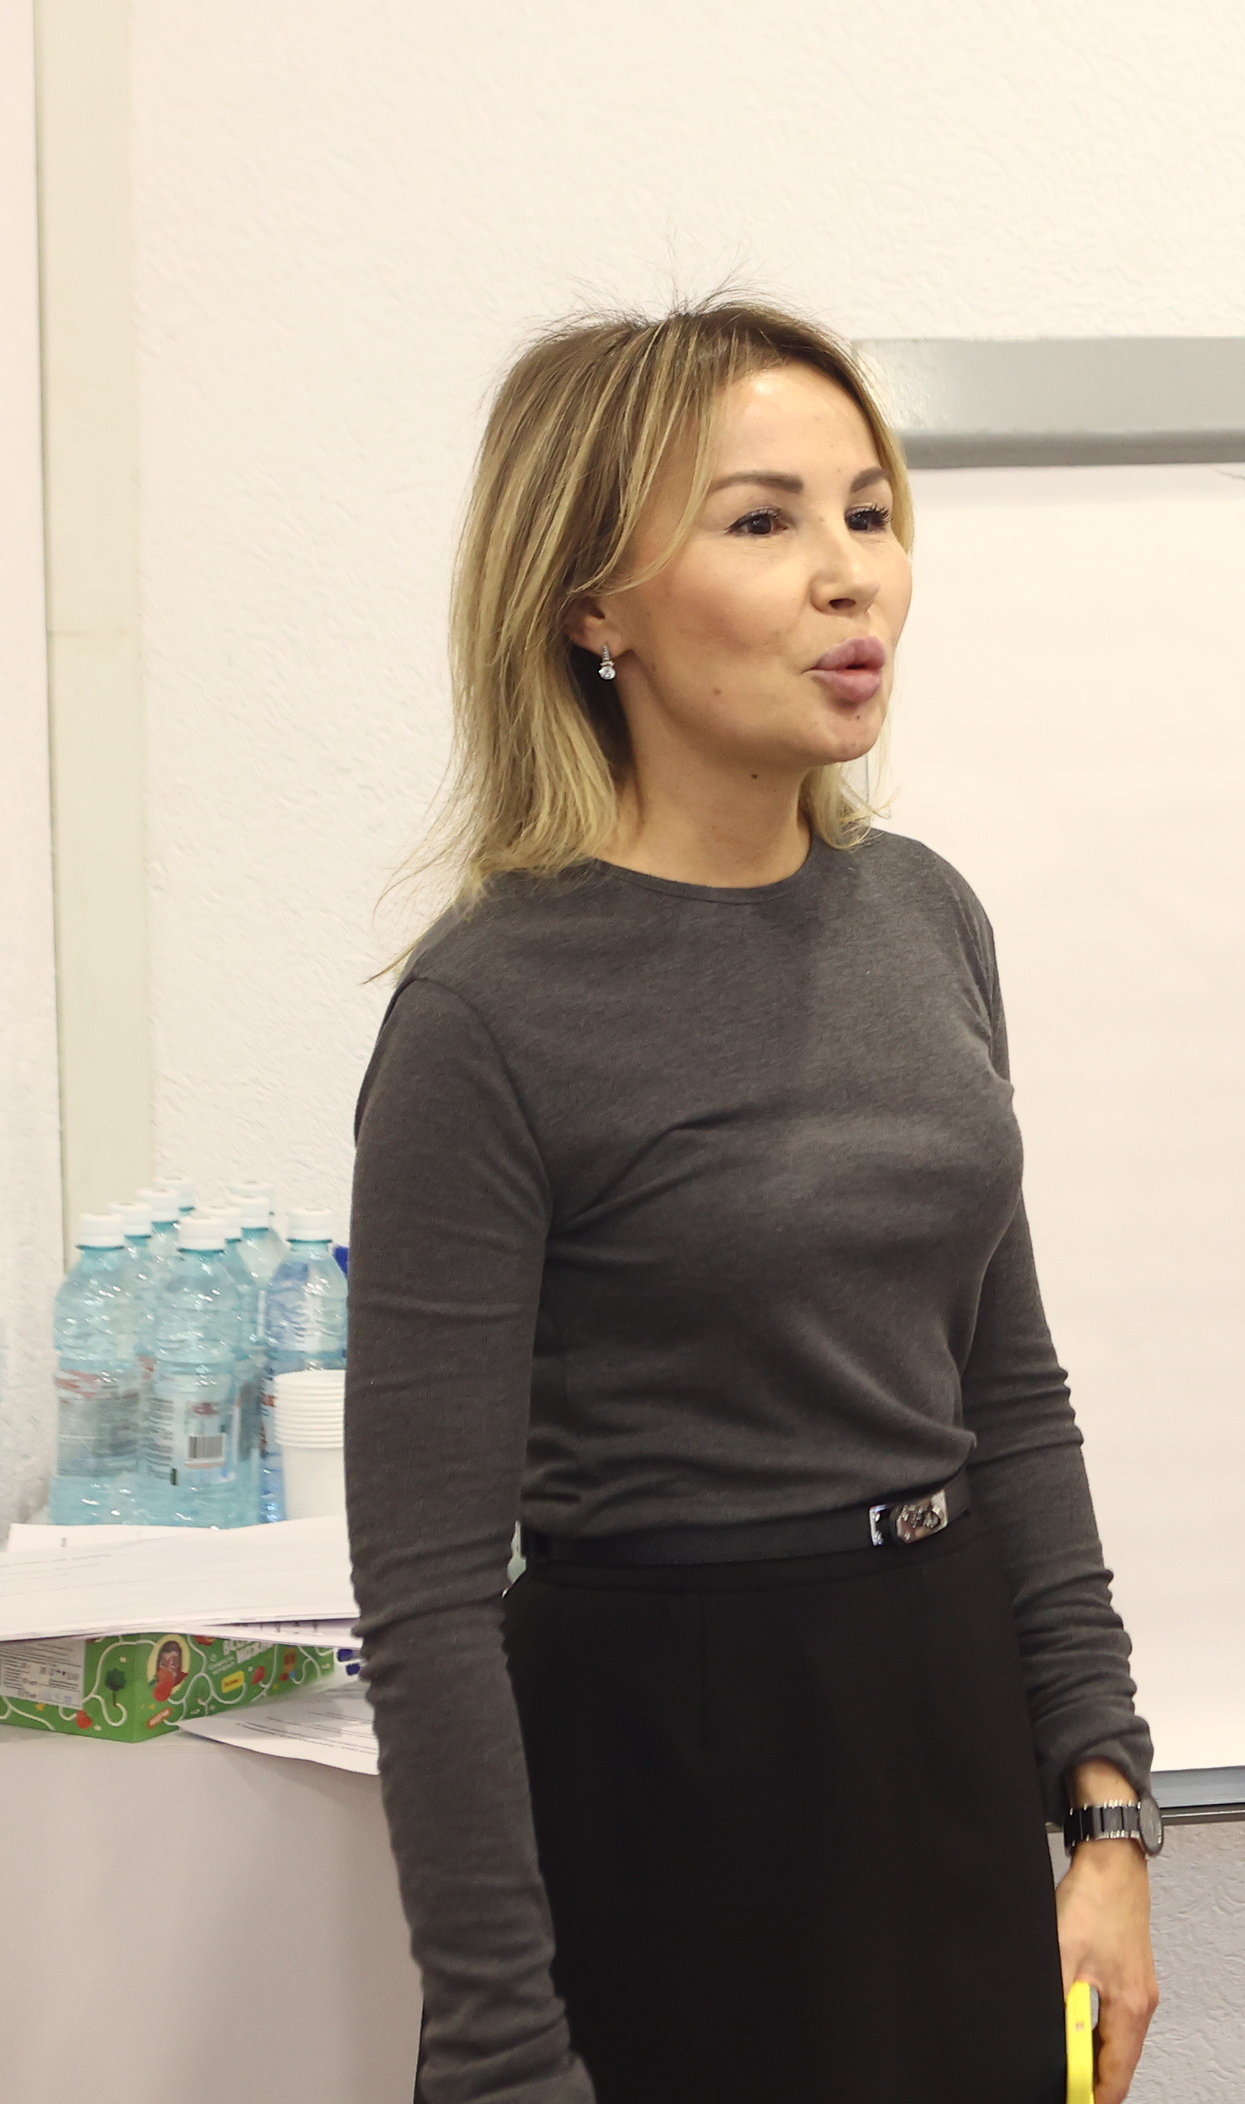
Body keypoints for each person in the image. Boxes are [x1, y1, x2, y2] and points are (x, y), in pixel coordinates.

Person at [348, 299, 1161, 2104]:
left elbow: (1011, 1397)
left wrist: (1105, 1811)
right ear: (594, 608)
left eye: (869, 513)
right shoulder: (488, 1011)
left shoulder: (925, 917)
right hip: (661, 1774)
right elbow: (424, 1602)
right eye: (763, 520)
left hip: (937, 1726)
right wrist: (498, 2043)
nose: (848, 574)